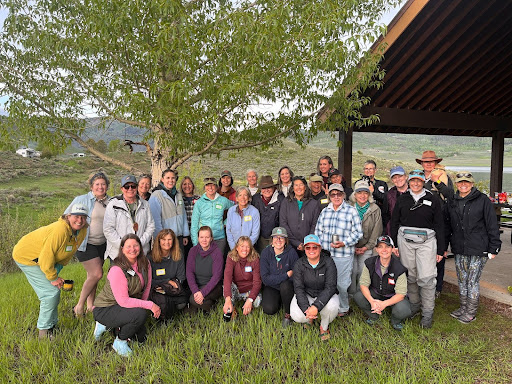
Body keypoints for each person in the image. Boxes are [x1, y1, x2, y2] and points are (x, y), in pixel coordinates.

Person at [13, 204, 88, 339]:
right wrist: (53, 278)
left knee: (54, 291)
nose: (80, 220)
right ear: (68, 216)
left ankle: (52, 325)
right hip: (27, 257)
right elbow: (45, 257)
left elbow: (69, 250)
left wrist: (57, 271)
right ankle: (44, 332)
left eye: (83, 217)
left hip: (49, 261)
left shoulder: (82, 230)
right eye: (76, 216)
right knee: (50, 293)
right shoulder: (60, 230)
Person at [390, 170, 445, 329]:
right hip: (405, 242)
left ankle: (427, 313)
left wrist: (440, 250)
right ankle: (414, 306)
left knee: (426, 278)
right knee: (410, 275)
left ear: (423, 182)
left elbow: (439, 225)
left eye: (419, 181)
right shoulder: (403, 199)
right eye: (413, 180)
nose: (415, 184)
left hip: (427, 243)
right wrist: (394, 244)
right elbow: (394, 223)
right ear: (409, 181)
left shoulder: (432, 199)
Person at [92, 234, 160, 357]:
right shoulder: (117, 269)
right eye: (128, 246)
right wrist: (149, 305)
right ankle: (119, 342)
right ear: (122, 249)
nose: (132, 249)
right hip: (106, 308)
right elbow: (123, 301)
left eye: (135, 245)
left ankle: (109, 326)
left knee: (141, 338)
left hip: (123, 306)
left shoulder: (145, 262)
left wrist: (143, 306)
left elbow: (147, 286)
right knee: (139, 315)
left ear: (140, 246)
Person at [446, 172, 501, 323]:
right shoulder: (452, 200)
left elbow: (492, 224)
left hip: (478, 248)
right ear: (456, 184)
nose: (463, 184)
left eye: (467, 182)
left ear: (472, 183)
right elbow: (447, 225)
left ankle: (471, 312)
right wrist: (445, 246)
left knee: (472, 281)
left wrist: (494, 246)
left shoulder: (482, 200)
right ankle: (463, 308)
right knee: (462, 280)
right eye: (460, 182)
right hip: (459, 247)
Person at [64, 171, 110, 317]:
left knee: (93, 276)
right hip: (85, 243)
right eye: (97, 184)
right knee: (97, 274)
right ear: (91, 186)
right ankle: (79, 306)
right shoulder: (82, 199)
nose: (100, 187)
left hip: (102, 244)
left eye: (103, 184)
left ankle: (91, 306)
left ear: (107, 186)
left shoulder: (111, 201)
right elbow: (66, 216)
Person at [315, 184, 363, 317]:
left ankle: (343, 308)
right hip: (326, 254)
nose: (336, 197)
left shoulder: (351, 211)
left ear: (343, 195)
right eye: (333, 194)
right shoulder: (325, 211)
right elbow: (318, 231)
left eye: (339, 194)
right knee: (326, 282)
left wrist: (344, 243)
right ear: (329, 196)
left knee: (341, 284)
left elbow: (358, 233)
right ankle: (327, 306)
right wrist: (323, 247)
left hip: (343, 254)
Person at [416, 150, 454, 298]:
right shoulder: (417, 177)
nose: (429, 164)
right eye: (426, 161)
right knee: (422, 253)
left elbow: (450, 194)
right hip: (422, 221)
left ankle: (437, 288)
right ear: (422, 163)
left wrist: (437, 181)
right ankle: (422, 285)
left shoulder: (443, 176)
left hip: (440, 220)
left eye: (431, 161)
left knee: (439, 252)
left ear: (436, 163)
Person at [354, 235, 411, 330]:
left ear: (392, 249)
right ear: (376, 249)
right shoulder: (369, 263)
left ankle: (395, 321)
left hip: (392, 295)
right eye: (380, 247)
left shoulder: (399, 268)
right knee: (359, 296)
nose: (384, 250)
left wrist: (383, 304)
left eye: (387, 247)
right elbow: (364, 284)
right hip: (376, 293)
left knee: (403, 310)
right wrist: (372, 302)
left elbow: (401, 294)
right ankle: (373, 316)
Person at [290, 235, 339, 341]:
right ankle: (309, 319)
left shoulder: (328, 262)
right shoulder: (299, 264)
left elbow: (330, 287)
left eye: (315, 247)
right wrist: (306, 309)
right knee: (297, 315)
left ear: (320, 248)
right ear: (304, 249)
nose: (311, 250)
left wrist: (316, 307)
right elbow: (298, 288)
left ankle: (324, 327)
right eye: (308, 247)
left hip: (324, 295)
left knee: (332, 307)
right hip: (307, 295)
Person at [103, 175, 155, 261]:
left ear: (137, 187)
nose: (130, 189)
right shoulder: (113, 205)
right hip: (118, 253)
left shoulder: (145, 204)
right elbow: (108, 229)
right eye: (126, 187)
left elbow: (150, 226)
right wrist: (124, 246)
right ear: (122, 189)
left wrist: (139, 244)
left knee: (140, 274)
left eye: (133, 186)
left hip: (140, 252)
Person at [348, 180, 383, 296]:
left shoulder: (375, 209)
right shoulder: (348, 207)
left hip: (367, 247)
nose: (362, 196)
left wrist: (366, 247)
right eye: (359, 193)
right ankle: (351, 295)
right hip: (350, 247)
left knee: (363, 271)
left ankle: (360, 295)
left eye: (365, 193)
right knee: (352, 271)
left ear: (369, 194)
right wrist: (351, 246)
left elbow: (376, 231)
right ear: (355, 195)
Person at [260, 227, 299, 327]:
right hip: (272, 287)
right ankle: (281, 300)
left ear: (286, 240)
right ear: (272, 240)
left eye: (282, 238)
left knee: (285, 286)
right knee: (269, 309)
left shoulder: (292, 253)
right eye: (276, 237)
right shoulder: (265, 253)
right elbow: (265, 279)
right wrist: (285, 275)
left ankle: (287, 314)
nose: (278, 240)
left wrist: (279, 278)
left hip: (287, 287)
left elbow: (295, 274)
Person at [147, 229, 188, 321]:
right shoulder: (150, 257)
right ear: (158, 241)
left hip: (172, 289)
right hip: (156, 290)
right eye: (163, 239)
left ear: (173, 241)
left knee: (182, 303)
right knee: (163, 301)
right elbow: (149, 280)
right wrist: (167, 281)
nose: (167, 242)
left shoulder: (178, 255)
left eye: (169, 239)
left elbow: (181, 277)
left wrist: (166, 285)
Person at [148, 169, 189, 253]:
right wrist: (160, 239)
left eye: (173, 178)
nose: (171, 180)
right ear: (162, 179)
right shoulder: (156, 196)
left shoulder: (178, 195)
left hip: (179, 237)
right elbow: (155, 220)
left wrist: (185, 234)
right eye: (168, 178)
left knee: (179, 263)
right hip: (166, 240)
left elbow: (183, 214)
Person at [190, 176, 233, 255]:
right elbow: (194, 224)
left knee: (218, 263)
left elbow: (234, 209)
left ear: (216, 187)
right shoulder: (199, 203)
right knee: (206, 263)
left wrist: (225, 222)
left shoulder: (223, 200)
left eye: (212, 185)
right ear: (205, 187)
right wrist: (196, 243)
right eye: (207, 185)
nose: (210, 187)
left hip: (219, 238)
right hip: (204, 240)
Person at [279, 176, 321, 255]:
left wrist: (307, 242)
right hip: (290, 245)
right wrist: (296, 243)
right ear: (292, 188)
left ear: (305, 187)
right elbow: (283, 223)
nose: (298, 187)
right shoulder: (286, 202)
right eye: (296, 185)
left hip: (308, 247)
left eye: (301, 185)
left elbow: (315, 225)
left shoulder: (314, 204)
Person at [186, 226, 224, 313]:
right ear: (198, 238)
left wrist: (202, 293)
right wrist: (196, 291)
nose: (204, 240)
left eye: (207, 237)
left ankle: (212, 309)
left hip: (213, 287)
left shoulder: (217, 252)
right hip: (198, 285)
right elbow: (189, 273)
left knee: (192, 300)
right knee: (188, 299)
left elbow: (216, 277)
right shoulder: (193, 251)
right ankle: (208, 304)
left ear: (211, 238)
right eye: (201, 237)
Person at [223, 236, 262, 317]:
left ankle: (247, 305)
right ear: (237, 247)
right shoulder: (231, 257)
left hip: (249, 289)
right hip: (236, 288)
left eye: (247, 247)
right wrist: (227, 299)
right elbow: (227, 278)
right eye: (242, 246)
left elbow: (257, 282)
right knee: (227, 287)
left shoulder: (255, 259)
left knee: (257, 302)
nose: (245, 249)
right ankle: (232, 306)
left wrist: (250, 300)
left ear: (251, 248)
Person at [251, 176, 285, 252]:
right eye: (263, 188)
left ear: (273, 188)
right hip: (259, 237)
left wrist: (278, 237)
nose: (266, 190)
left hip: (276, 237)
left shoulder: (281, 199)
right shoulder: (255, 199)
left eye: (269, 187)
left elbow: (283, 220)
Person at [181, 176, 201, 261]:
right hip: (183, 234)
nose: (187, 186)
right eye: (185, 184)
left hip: (197, 233)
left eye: (189, 184)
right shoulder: (179, 199)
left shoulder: (199, 199)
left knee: (196, 256)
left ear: (193, 185)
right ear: (181, 186)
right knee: (184, 256)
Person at [383, 166, 408, 235]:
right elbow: (386, 217)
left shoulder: (415, 192)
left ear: (406, 176)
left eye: (400, 176)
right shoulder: (388, 195)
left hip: (412, 232)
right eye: (394, 177)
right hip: (395, 232)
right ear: (392, 180)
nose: (398, 179)